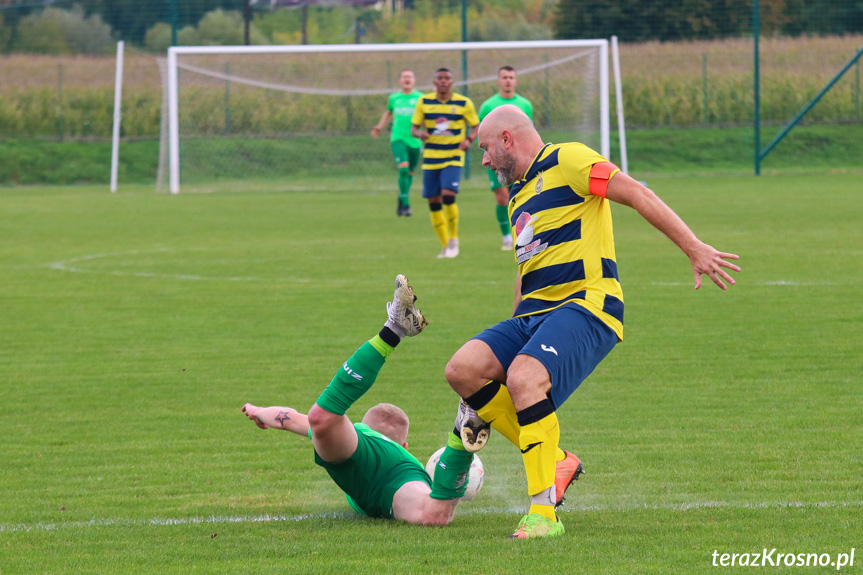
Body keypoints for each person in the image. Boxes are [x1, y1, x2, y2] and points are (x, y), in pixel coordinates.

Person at [446, 105, 742, 540]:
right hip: (534, 312)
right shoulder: (517, 197)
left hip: (587, 302)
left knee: (524, 377)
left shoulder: (570, 160)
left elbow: (638, 192)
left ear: (507, 139)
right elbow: (526, 266)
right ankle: (559, 461)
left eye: (486, 150)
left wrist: (693, 246)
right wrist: (515, 325)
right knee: (463, 368)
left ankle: (543, 515)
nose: (486, 161)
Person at [242, 275, 478, 524]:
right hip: (398, 474)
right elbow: (289, 420)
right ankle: (461, 434)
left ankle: (396, 330)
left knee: (320, 420)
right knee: (434, 516)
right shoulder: (406, 462)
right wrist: (260, 411)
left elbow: (287, 419)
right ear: (404, 446)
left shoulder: (363, 439)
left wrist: (258, 411)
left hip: (378, 463)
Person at [411, 68, 480, 258]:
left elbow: (476, 125)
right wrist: (420, 134)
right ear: (434, 82)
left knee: (448, 195)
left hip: (454, 156)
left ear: (452, 82)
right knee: (433, 202)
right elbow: (414, 128)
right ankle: (445, 246)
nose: (443, 81)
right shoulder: (424, 102)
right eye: (439, 78)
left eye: (447, 78)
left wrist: (468, 140)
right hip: (431, 158)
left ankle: (454, 239)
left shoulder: (464, 103)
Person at [478, 66, 534, 251]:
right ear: (498, 81)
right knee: (502, 197)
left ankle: (523, 234)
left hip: (519, 159)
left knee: (521, 194)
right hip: (497, 158)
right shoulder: (488, 105)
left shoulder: (525, 104)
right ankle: (506, 237)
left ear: (515, 81)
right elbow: (483, 134)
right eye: (504, 77)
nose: (508, 80)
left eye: (511, 77)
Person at [371, 70, 424, 217]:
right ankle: (406, 205)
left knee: (410, 172)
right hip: (398, 138)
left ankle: (402, 197)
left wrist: (427, 132)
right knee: (403, 170)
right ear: (400, 81)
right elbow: (388, 113)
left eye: (410, 77)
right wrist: (380, 127)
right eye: (404, 77)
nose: (407, 79)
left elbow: (426, 116)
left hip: (415, 140)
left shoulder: (421, 98)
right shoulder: (394, 98)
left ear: (414, 80)